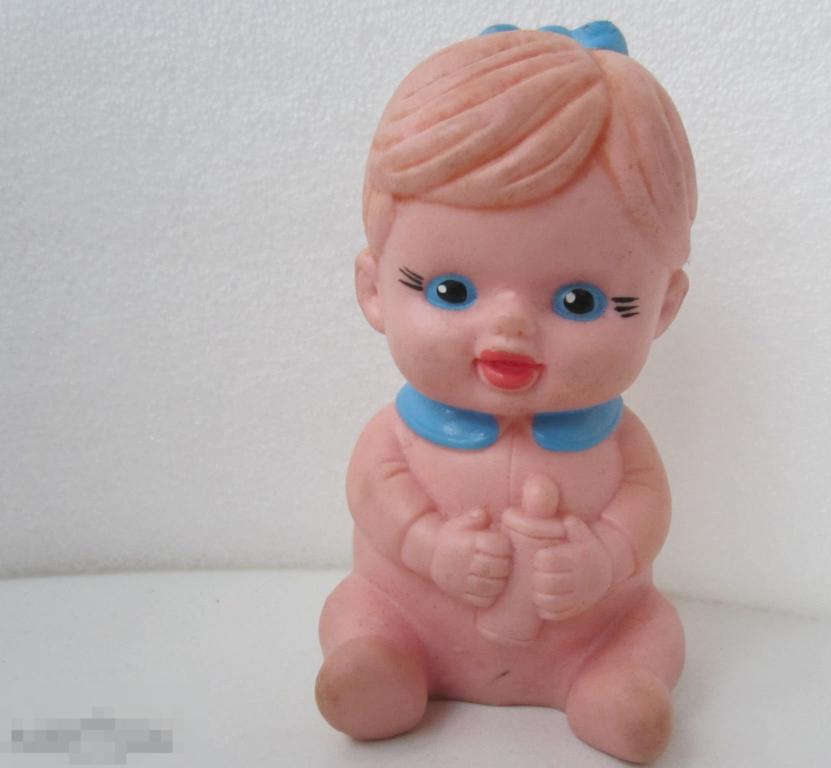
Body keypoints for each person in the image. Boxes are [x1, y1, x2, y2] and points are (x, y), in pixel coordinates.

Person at [316, 22, 698, 763]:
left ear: (664, 308)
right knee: (358, 608)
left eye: (580, 302)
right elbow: (375, 493)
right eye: (451, 291)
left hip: (589, 628)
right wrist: (431, 545)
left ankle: (614, 682)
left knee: (653, 628)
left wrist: (604, 558)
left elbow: (646, 506)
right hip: (414, 613)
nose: (511, 329)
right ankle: (382, 664)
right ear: (374, 289)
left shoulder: (620, 443)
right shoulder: (396, 437)